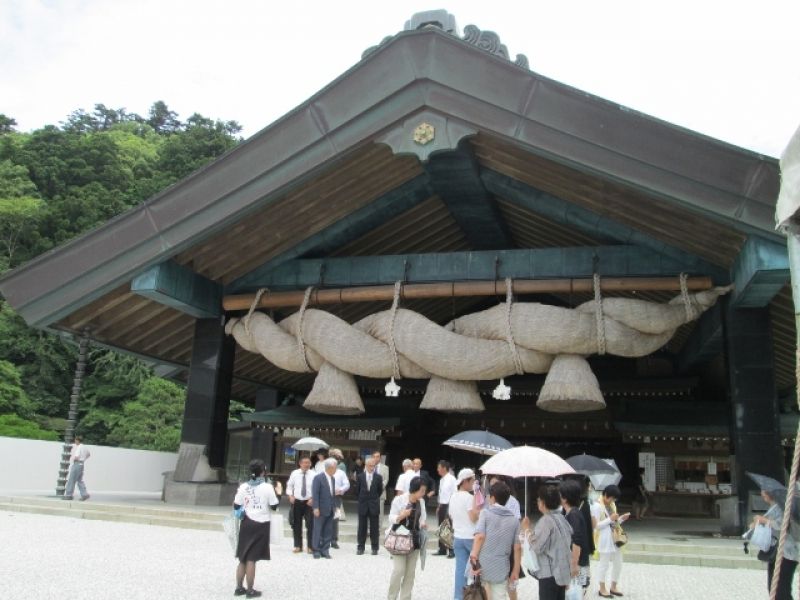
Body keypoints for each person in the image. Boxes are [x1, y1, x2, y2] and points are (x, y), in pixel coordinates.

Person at [233, 459, 279, 598]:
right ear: (263, 472)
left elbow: (236, 505)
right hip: (261, 523)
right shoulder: (267, 487)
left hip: (246, 522)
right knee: (252, 558)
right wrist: (279, 492)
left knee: (243, 557)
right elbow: (274, 506)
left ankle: (239, 588)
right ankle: (250, 590)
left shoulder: (244, 486)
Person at [470, 480, 521, 600]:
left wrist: (473, 555)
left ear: (492, 498)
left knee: (482, 594)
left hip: (483, 563)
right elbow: (517, 547)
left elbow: (480, 537)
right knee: (499, 594)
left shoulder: (485, 514)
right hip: (501, 566)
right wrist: (516, 570)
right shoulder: (514, 520)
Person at [521, 484, 573, 600]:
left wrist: (526, 529)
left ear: (543, 502)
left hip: (549, 574)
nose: (538, 501)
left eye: (539, 499)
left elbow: (537, 546)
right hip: (562, 572)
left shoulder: (546, 521)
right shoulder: (561, 518)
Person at [753, 488, 800, 599]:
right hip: (776, 552)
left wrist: (764, 521)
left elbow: (781, 525)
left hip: (787, 553)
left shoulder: (783, 507)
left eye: (764, 492)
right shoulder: (774, 507)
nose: (762, 494)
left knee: (781, 589)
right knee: (773, 588)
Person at [387, 476, 428, 600]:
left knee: (410, 573)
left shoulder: (421, 502)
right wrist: (402, 515)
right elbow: (391, 517)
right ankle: (391, 597)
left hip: (414, 540)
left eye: (424, 491)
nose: (423, 493)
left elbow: (422, 519)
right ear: (414, 489)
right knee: (399, 570)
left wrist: (423, 524)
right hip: (400, 538)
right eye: (421, 491)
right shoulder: (399, 500)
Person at [488, 476, 523, 600]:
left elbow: (516, 521)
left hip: (508, 542)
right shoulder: (489, 499)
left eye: (495, 484)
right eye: (491, 484)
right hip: (494, 543)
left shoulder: (512, 501)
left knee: (510, 582)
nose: (492, 486)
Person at [591, 485, 628, 598]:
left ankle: (613, 586)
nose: (613, 501)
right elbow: (596, 526)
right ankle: (602, 588)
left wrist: (621, 519)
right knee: (604, 564)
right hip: (604, 539)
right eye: (612, 498)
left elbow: (614, 523)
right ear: (606, 495)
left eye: (615, 499)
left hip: (615, 537)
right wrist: (610, 519)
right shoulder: (596, 506)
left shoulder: (612, 505)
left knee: (618, 562)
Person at [449, 468, 481, 600]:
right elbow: (473, 518)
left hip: (458, 536)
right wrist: (478, 510)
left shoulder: (453, 496)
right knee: (477, 569)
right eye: (472, 480)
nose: (473, 483)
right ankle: (476, 595)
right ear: (466, 481)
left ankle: (459, 597)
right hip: (470, 537)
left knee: (460, 570)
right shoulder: (469, 498)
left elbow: (451, 515)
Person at [560, 479, 591, 591]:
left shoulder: (573, 515)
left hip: (578, 564)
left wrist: (574, 564)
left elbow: (576, 541)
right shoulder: (572, 512)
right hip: (577, 562)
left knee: (575, 593)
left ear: (565, 498)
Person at [286, 456, 315, 554]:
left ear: (310, 464)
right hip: (297, 501)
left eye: (308, 463)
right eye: (304, 463)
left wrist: (313, 498)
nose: (306, 465)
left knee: (310, 524)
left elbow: (317, 488)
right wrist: (290, 496)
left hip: (309, 502)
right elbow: (289, 486)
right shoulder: (294, 473)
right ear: (300, 463)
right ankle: (298, 546)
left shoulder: (314, 474)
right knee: (296, 524)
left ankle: (310, 546)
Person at [356, 457, 384, 555]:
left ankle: (375, 548)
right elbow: (357, 491)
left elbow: (380, 490)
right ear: (366, 465)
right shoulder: (360, 476)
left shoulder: (378, 477)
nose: (372, 468)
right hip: (363, 504)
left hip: (374, 505)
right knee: (362, 527)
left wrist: (374, 499)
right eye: (370, 466)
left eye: (374, 466)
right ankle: (360, 547)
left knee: (374, 528)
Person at [312, 458, 338, 559]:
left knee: (328, 530)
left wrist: (334, 506)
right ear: (330, 468)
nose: (336, 470)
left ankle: (325, 550)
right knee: (318, 529)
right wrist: (315, 507)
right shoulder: (318, 478)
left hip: (330, 507)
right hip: (320, 508)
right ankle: (316, 550)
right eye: (335, 468)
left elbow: (332, 494)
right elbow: (315, 493)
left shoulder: (333, 478)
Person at [434, 460, 457, 557]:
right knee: (441, 526)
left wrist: (451, 507)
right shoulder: (442, 479)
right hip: (442, 504)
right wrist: (439, 506)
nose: (438, 469)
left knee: (448, 526)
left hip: (449, 504)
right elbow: (441, 494)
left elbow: (454, 493)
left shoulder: (451, 478)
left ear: (444, 468)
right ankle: (442, 548)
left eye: (439, 467)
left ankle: (451, 549)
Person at [329, 449, 351, 549]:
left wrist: (341, 490)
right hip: (324, 497)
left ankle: (334, 540)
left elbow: (347, 484)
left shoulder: (340, 472)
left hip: (336, 497)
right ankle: (323, 538)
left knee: (335, 518)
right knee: (323, 518)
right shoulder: (324, 471)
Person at [63, 436, 90, 501]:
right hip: (81, 464)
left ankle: (69, 495)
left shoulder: (79, 447)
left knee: (71, 479)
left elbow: (77, 456)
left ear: (77, 440)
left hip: (77, 464)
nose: (75, 442)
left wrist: (74, 459)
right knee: (80, 480)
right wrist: (83, 459)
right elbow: (89, 454)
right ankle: (84, 494)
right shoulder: (84, 447)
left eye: (75, 440)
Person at [373, 450, 390, 515]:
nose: (376, 458)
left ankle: (379, 525)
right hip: (369, 493)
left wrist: (379, 487)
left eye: (377, 457)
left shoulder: (385, 468)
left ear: (380, 458)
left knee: (380, 512)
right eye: (374, 457)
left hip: (381, 493)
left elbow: (386, 479)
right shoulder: (368, 466)